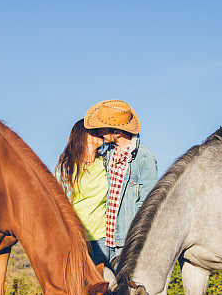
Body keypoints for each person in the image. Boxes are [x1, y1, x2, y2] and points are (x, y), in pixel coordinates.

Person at [83, 100, 157, 264]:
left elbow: (148, 206)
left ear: (116, 132)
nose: (99, 132)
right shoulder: (107, 154)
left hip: (126, 242)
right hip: (104, 238)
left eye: (102, 129)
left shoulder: (144, 159)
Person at [55, 119, 111, 265]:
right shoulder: (68, 167)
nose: (99, 133)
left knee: (102, 283)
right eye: (93, 131)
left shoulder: (106, 164)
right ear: (82, 135)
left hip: (102, 238)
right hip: (76, 238)